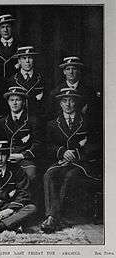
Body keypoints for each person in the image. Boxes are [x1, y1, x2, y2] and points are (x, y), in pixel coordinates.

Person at [41, 88, 101, 233]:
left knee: (70, 177)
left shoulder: (87, 122)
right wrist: (62, 151)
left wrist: (77, 153)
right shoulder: (52, 124)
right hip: (62, 161)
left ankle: (55, 217)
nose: (68, 104)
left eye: (71, 100)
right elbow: (47, 146)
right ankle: (51, 216)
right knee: (49, 175)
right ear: (60, 104)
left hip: (82, 164)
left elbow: (97, 144)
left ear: (77, 103)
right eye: (64, 101)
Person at [0, 86, 44, 203]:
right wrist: (6, 156)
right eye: (12, 100)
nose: (15, 103)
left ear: (23, 102)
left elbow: (38, 144)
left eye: (18, 100)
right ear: (8, 102)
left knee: (30, 174)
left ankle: (29, 206)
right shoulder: (3, 122)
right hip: (6, 158)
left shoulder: (33, 120)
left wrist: (22, 155)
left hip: (25, 159)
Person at [46, 56, 100, 122]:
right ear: (64, 72)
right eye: (68, 69)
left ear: (79, 71)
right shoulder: (56, 92)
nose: (71, 72)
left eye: (74, 69)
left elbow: (95, 115)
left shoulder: (89, 92)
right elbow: (51, 115)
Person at [7, 46, 47, 119]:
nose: (27, 61)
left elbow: (46, 103)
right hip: (19, 121)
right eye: (24, 58)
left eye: (30, 58)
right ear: (19, 61)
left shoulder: (42, 79)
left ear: (33, 59)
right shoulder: (12, 80)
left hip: (38, 118)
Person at [0, 14, 19, 79]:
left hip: (14, 82)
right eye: (2, 27)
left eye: (8, 26)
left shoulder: (20, 45)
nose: (5, 30)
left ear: (12, 29)